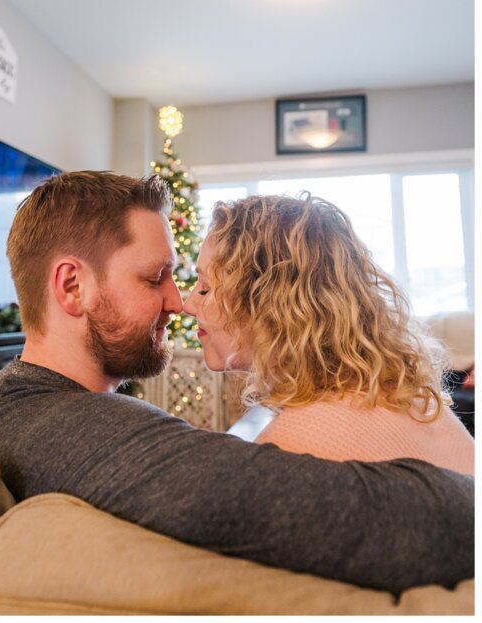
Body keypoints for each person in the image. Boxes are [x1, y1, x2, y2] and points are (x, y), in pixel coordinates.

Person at [0, 170, 473, 594]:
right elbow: (367, 515)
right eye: (156, 278)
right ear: (72, 286)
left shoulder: (31, 408)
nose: (179, 301)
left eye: (195, 282)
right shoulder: (64, 425)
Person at [182, 193, 473, 474]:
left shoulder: (298, 444)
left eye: (205, 287)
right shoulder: (409, 397)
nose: (188, 304)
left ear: (270, 306)